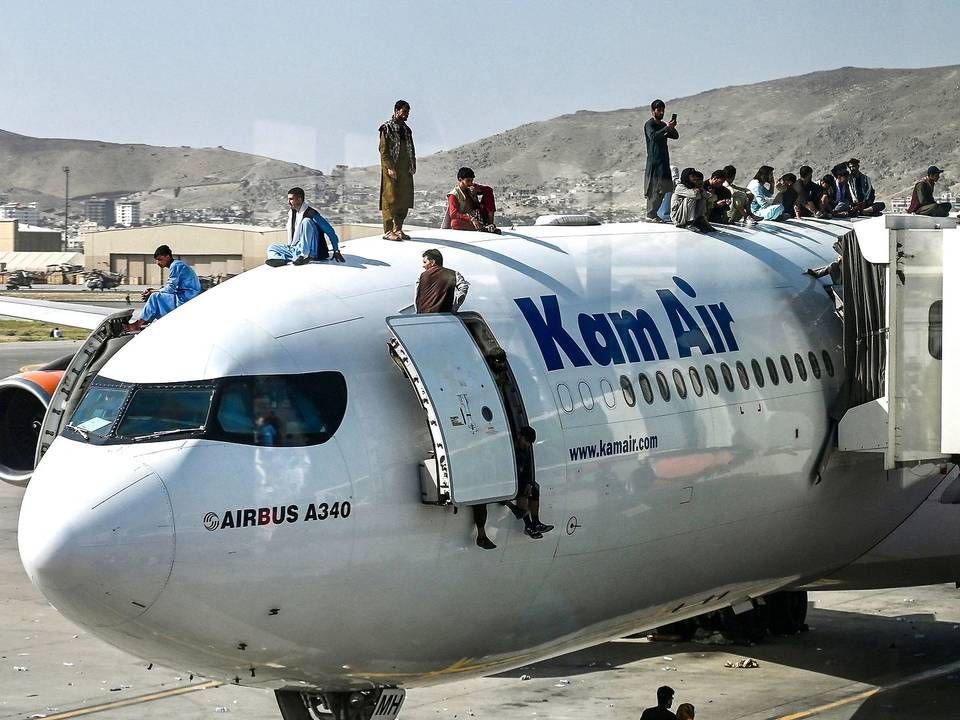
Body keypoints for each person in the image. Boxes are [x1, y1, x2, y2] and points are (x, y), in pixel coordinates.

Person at [124, 245, 201, 332]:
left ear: (167, 256)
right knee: (156, 298)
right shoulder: (178, 264)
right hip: (186, 296)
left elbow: (170, 289)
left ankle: (138, 324)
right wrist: (154, 290)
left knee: (155, 297)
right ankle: (143, 324)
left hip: (186, 298)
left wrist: (152, 292)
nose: (158, 263)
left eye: (160, 259)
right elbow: (171, 288)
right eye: (156, 260)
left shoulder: (175, 266)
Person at [266, 187, 343, 266]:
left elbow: (330, 231)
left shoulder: (312, 214)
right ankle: (280, 259)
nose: (288, 202)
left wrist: (336, 250)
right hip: (296, 248)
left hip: (312, 250)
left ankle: (304, 255)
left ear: (299, 199)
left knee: (306, 221)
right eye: (288, 199)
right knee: (272, 247)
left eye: (291, 199)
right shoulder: (292, 213)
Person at [505, 426, 553, 539]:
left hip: (519, 479)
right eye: (526, 441)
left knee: (534, 489)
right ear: (519, 436)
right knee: (521, 491)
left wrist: (529, 483)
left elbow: (527, 468)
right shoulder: (509, 448)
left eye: (529, 443)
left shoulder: (525, 449)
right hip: (508, 479)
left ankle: (536, 522)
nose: (527, 445)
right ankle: (528, 525)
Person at [379, 99, 416, 240]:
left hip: (405, 169)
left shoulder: (407, 130)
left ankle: (398, 228)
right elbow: (383, 150)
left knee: (404, 198)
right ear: (396, 111)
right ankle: (388, 231)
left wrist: (413, 165)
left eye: (408, 112)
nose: (407, 114)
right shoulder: (386, 128)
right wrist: (389, 167)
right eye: (404, 111)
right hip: (391, 168)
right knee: (390, 198)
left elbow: (411, 148)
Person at [644, 100, 679, 223]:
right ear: (653, 111)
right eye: (659, 110)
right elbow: (653, 137)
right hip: (654, 162)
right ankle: (650, 214)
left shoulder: (662, 125)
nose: (661, 112)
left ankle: (654, 213)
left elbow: (675, 136)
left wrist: (671, 127)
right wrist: (666, 128)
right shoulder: (649, 124)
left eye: (663, 110)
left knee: (665, 187)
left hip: (664, 161)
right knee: (654, 189)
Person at [444, 167, 500, 233]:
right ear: (460, 179)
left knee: (488, 193)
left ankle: (490, 224)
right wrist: (471, 219)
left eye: (472, 180)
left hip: (479, 215)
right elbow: (454, 214)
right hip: (468, 219)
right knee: (455, 223)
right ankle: (483, 228)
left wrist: (478, 190)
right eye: (468, 181)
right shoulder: (453, 195)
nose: (470, 183)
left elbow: (489, 190)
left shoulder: (472, 187)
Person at [414, 249, 469, 314]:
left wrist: (418, 313)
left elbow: (416, 297)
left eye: (425, 262)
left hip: (423, 317)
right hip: (444, 316)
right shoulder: (453, 274)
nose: (423, 266)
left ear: (432, 262)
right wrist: (454, 308)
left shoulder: (421, 276)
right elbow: (463, 287)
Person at [670, 168, 715, 233]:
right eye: (692, 176)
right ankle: (689, 223)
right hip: (678, 217)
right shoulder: (680, 187)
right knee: (691, 198)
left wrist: (701, 190)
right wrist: (700, 191)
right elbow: (694, 195)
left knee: (702, 199)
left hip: (686, 215)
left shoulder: (694, 187)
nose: (694, 178)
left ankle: (699, 220)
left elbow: (710, 197)